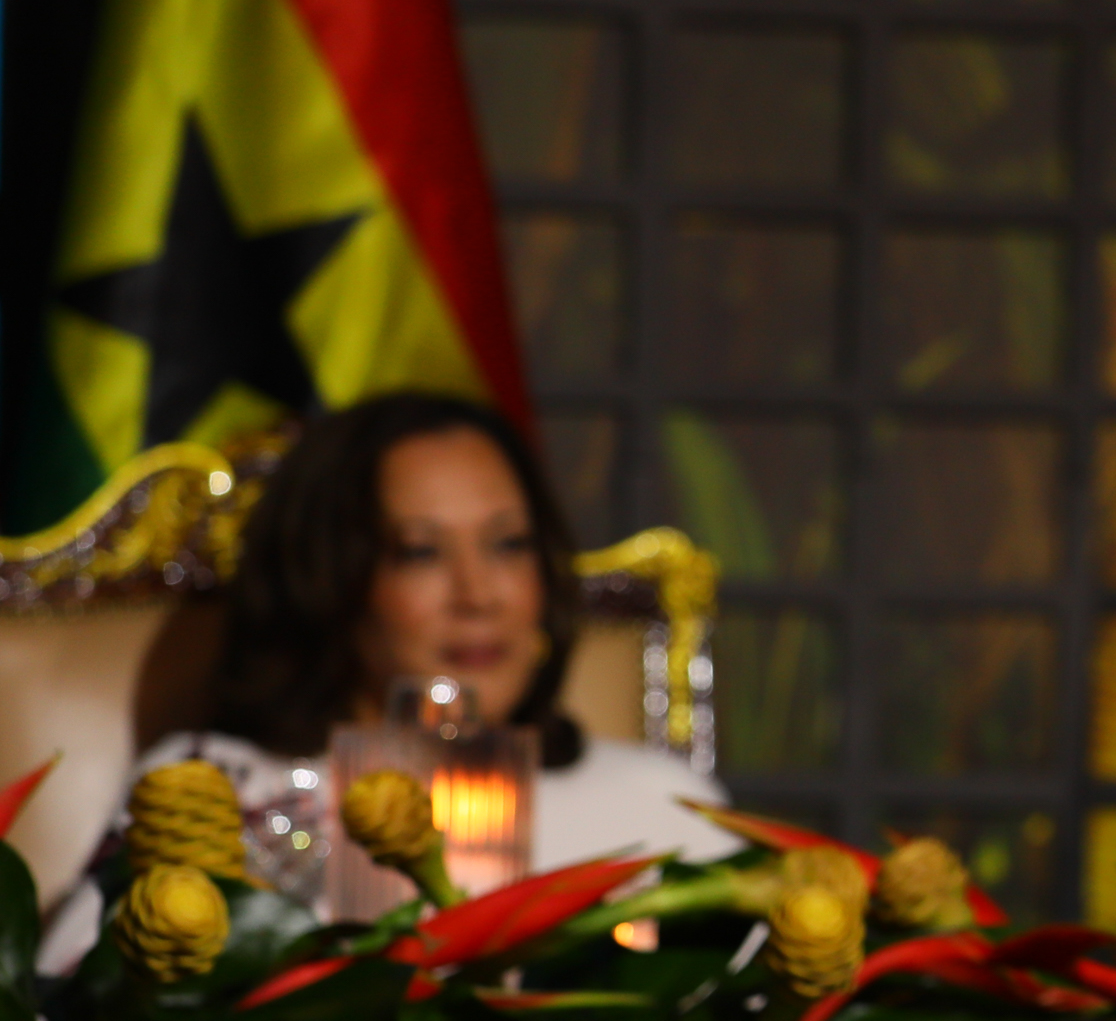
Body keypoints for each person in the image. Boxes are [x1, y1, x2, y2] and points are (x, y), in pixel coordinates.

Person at [47, 391, 727, 967]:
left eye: (508, 543)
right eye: (420, 551)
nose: (478, 594)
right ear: (331, 581)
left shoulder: (661, 808)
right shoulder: (217, 794)